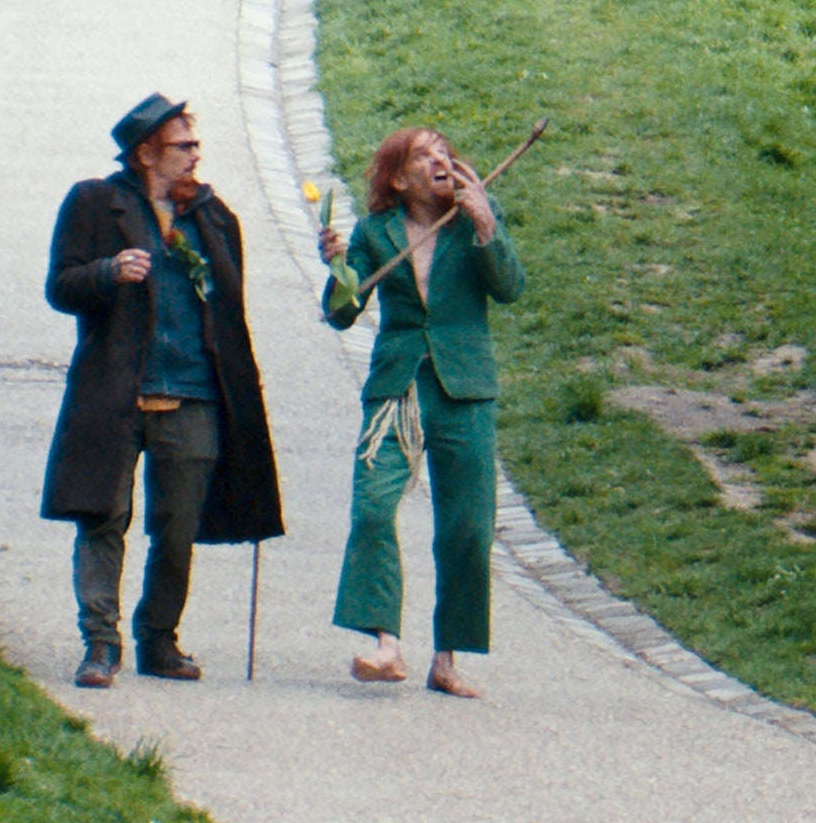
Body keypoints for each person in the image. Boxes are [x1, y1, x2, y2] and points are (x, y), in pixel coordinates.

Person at [42, 94, 283, 688]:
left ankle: (159, 638)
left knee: (178, 525)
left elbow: (232, 312)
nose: (196, 154)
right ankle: (100, 643)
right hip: (117, 388)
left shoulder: (213, 217)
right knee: (104, 517)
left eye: (195, 144)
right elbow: (61, 286)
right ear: (147, 152)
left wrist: (241, 386)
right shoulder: (96, 202)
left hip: (194, 389)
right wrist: (107, 271)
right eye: (184, 145)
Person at [318, 127, 524, 698]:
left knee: (467, 527)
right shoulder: (375, 232)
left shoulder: (474, 215)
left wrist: (485, 224)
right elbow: (340, 313)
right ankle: (386, 646)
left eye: (444, 151)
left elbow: (510, 288)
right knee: (373, 505)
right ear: (398, 178)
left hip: (464, 386)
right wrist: (337, 267)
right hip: (398, 384)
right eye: (423, 155)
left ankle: (447, 659)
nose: (440, 159)